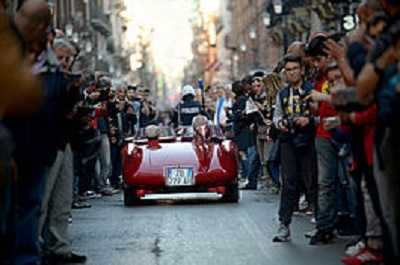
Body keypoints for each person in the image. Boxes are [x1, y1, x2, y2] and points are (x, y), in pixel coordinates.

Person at [272, 54, 317, 242]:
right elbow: (276, 117)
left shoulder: (311, 90)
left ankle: (322, 224)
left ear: (303, 71)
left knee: (313, 182)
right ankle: (284, 224)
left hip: (308, 138)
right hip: (288, 140)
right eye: (288, 70)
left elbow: (321, 114)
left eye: (294, 69)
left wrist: (309, 120)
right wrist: (280, 124)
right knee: (288, 183)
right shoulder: (282, 94)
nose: (291, 73)